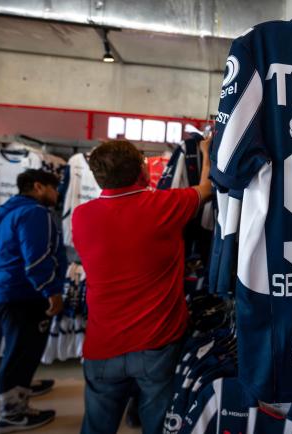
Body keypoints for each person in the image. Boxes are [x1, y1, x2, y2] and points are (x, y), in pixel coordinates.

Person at [72, 138, 213, 434]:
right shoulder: (163, 205)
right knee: (159, 424)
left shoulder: (81, 217)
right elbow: (207, 189)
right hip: (157, 343)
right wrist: (205, 152)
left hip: (103, 345)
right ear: (142, 170)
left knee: (97, 426)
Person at [0, 169, 67, 434]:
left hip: (8, 290)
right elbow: (37, 259)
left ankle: (21, 388)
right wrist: (52, 292)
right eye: (54, 188)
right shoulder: (35, 213)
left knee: (20, 348)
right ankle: (11, 413)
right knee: (20, 351)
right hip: (24, 293)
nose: (57, 194)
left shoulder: (7, 210)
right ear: (38, 186)